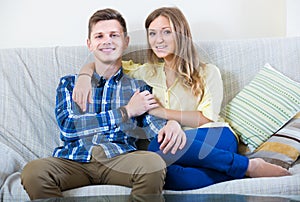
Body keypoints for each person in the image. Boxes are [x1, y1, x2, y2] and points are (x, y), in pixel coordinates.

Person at [73, 7, 290, 190]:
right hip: (174, 149)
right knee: (162, 174)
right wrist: (84, 75)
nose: (158, 40)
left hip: (214, 136)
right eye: (153, 33)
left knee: (155, 147)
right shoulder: (146, 72)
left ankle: (249, 166)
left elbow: (206, 118)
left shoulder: (207, 72)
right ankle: (240, 172)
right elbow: (109, 61)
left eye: (166, 32)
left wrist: (165, 116)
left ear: (181, 34)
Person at [20, 8, 188, 200]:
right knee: (34, 171)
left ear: (126, 42)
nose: (107, 40)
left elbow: (153, 126)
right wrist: (125, 111)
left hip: (119, 158)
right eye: (99, 36)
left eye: (114, 35)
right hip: (75, 160)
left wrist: (172, 124)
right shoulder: (70, 84)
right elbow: (69, 128)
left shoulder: (137, 87)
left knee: (152, 164)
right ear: (90, 44)